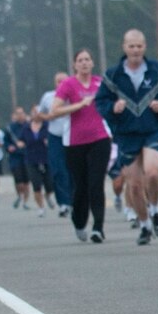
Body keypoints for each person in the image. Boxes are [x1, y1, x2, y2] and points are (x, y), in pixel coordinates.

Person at [100, 30, 158, 245]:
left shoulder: (156, 70)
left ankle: (155, 209)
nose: (135, 50)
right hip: (127, 134)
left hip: (152, 130)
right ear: (124, 48)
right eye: (131, 46)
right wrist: (114, 108)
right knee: (135, 185)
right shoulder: (113, 75)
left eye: (139, 46)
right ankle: (144, 225)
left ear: (144, 47)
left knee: (152, 172)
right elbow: (100, 102)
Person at [46, 51, 113, 244]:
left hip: (100, 138)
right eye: (80, 60)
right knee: (80, 186)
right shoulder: (68, 85)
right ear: (75, 65)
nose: (84, 63)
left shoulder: (100, 83)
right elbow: (55, 110)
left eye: (87, 60)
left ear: (92, 63)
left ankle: (98, 228)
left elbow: (112, 103)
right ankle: (79, 221)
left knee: (96, 183)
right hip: (74, 142)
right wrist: (78, 105)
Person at [38, 73, 72, 218]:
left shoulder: (74, 95)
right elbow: (40, 115)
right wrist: (49, 117)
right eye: (58, 81)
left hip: (73, 135)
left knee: (73, 169)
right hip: (55, 136)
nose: (61, 84)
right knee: (58, 170)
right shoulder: (48, 97)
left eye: (63, 81)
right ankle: (63, 203)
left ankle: (75, 199)